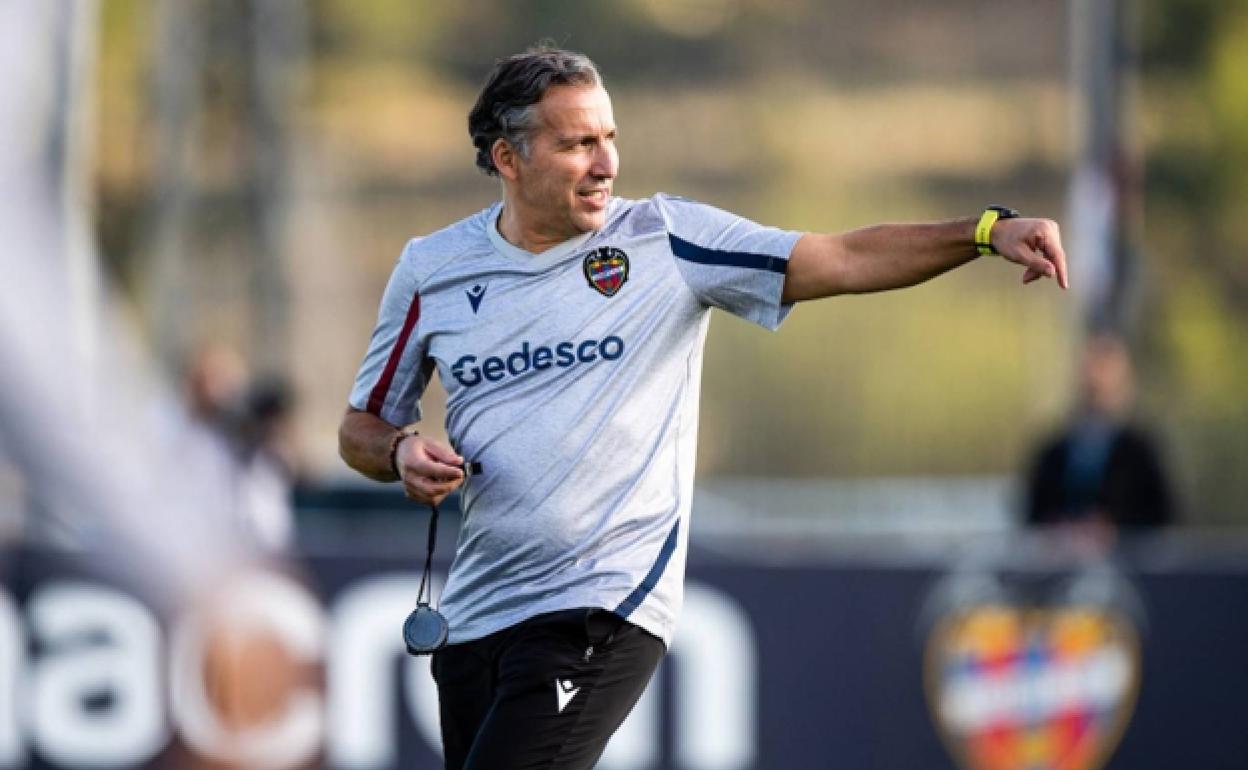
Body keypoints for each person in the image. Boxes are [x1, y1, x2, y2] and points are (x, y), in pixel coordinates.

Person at [338, 46, 1068, 770]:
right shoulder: (433, 269)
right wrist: (399, 451)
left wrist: (983, 232)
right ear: (508, 158)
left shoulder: (666, 240)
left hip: (599, 603)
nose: (605, 165)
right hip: (475, 614)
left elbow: (841, 257)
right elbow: (360, 428)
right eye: (576, 144)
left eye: (609, 138)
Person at [1024, 331, 1174, 541]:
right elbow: (1032, 514)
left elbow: (1160, 516)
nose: (1097, 385)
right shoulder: (1053, 451)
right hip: (1060, 564)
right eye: (1092, 384)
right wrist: (1059, 528)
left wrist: (1113, 529)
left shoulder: (1140, 451)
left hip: (1125, 568)